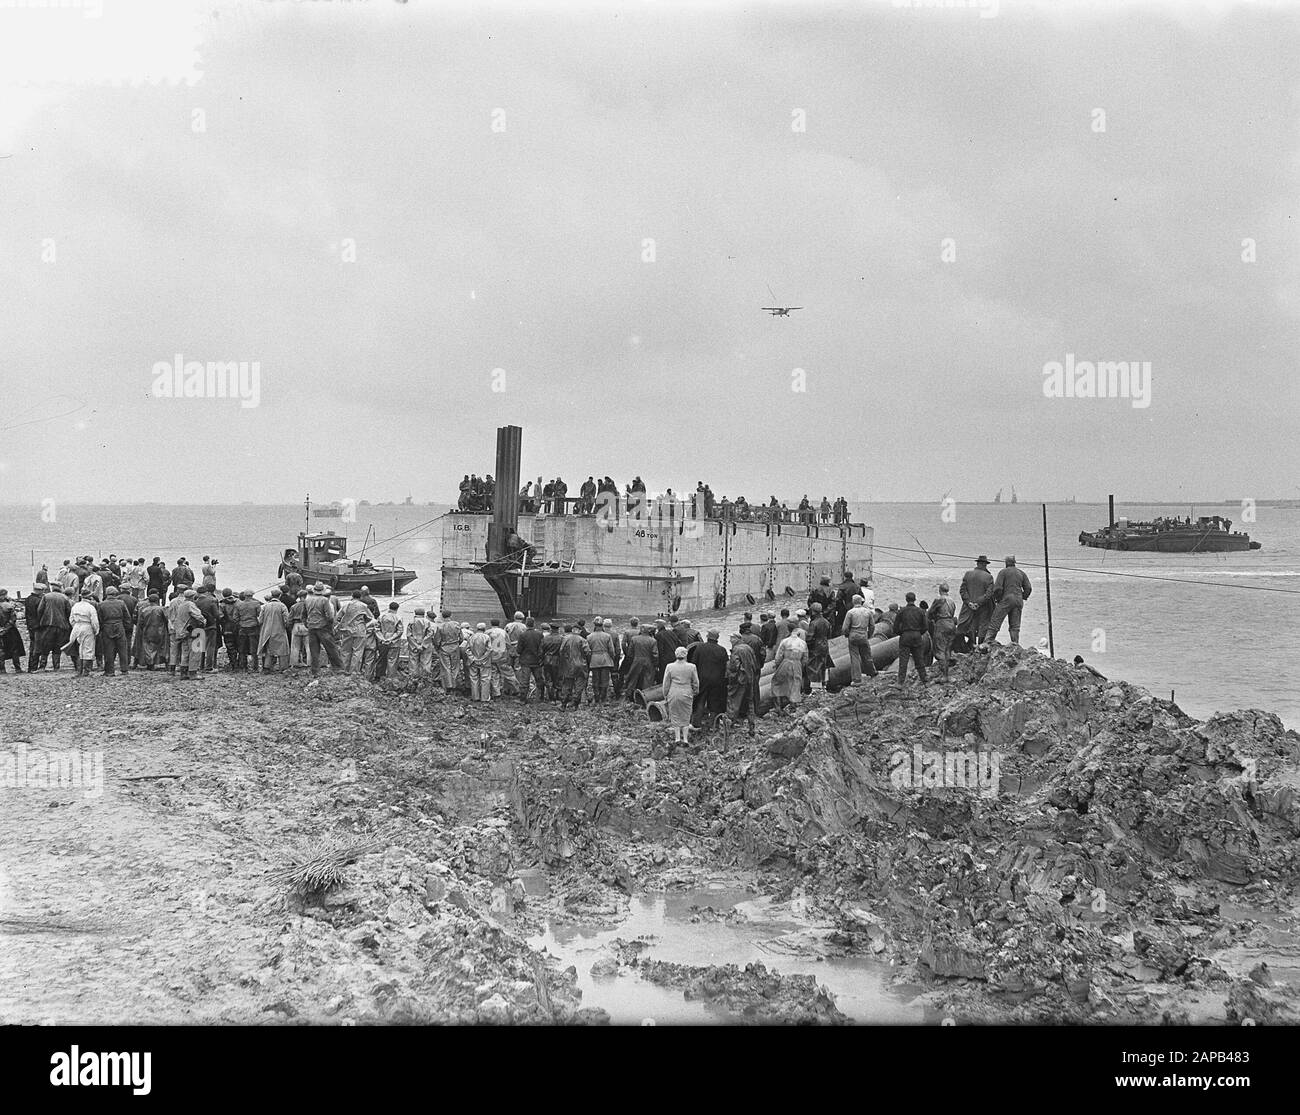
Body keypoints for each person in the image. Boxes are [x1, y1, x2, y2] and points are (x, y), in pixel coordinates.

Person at [986, 556, 1032, 646]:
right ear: (1014, 563)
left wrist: (998, 598)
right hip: (1018, 600)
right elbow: (1028, 588)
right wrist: (1023, 596)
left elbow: (998, 588)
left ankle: (988, 642)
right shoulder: (1021, 573)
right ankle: (1015, 644)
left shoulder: (1003, 572)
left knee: (995, 622)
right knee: (1015, 626)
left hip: (1006, 599)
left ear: (1006, 563)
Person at [687, 629, 729, 729]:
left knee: (700, 700)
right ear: (717, 638)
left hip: (702, 678)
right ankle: (713, 725)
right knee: (715, 702)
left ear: (707, 636)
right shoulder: (722, 650)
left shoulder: (700, 648)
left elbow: (694, 663)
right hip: (717, 680)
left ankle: (696, 723)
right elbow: (726, 666)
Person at [661, 646, 699, 747]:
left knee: (675, 714)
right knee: (686, 714)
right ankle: (685, 739)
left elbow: (666, 683)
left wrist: (665, 694)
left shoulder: (670, 666)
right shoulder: (692, 667)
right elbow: (695, 682)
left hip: (674, 692)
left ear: (675, 654)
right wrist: (695, 691)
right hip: (687, 692)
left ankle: (677, 738)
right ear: (686, 655)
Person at [957, 555, 995, 651]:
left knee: (972, 625)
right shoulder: (989, 577)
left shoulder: (968, 574)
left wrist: (969, 602)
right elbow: (989, 594)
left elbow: (962, 591)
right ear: (985, 565)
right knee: (983, 625)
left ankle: (972, 645)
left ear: (977, 564)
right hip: (983, 606)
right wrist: (978, 603)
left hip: (969, 606)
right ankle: (980, 646)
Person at [303, 584, 342, 676]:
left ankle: (315, 671)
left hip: (312, 627)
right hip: (323, 627)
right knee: (331, 648)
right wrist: (330, 626)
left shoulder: (307, 600)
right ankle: (338, 668)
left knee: (314, 651)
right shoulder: (324, 600)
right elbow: (330, 616)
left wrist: (307, 624)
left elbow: (303, 615)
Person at [725, 633, 758, 738]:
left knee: (734, 701)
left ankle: (730, 725)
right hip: (750, 678)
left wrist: (729, 672)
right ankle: (751, 726)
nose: (730, 641)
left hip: (740, 680)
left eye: (731, 639)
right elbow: (754, 663)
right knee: (749, 702)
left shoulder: (736, 649)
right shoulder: (748, 648)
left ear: (736, 639)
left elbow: (734, 666)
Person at [166, 588, 204, 679]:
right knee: (195, 651)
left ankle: (184, 673)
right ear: (193, 597)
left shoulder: (182, 605)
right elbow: (198, 616)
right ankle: (193, 673)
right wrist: (204, 621)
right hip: (192, 630)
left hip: (182, 631)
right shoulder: (190, 604)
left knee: (185, 652)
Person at [841, 594, 877, 684]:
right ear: (861, 601)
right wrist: (869, 635)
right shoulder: (867, 612)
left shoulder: (850, 612)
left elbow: (845, 628)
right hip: (863, 635)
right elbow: (872, 626)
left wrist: (847, 635)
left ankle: (857, 678)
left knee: (855, 657)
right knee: (867, 655)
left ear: (853, 602)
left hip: (853, 636)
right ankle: (872, 672)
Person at [895, 592, 928, 688]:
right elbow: (925, 627)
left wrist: (902, 633)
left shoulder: (902, 611)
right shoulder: (920, 611)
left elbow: (895, 627)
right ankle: (924, 680)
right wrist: (918, 633)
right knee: (919, 659)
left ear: (906, 599)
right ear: (915, 600)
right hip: (917, 636)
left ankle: (900, 682)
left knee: (903, 660)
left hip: (905, 637)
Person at [36, 583, 72, 671]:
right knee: (57, 646)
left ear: (52, 588)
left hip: (48, 624)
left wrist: (41, 621)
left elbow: (40, 610)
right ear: (60, 588)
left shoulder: (46, 597)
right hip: (62, 625)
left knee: (45, 646)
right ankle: (56, 666)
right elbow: (69, 612)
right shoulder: (65, 598)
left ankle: (42, 666)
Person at [97, 586, 132, 676]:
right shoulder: (121, 603)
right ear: (115, 593)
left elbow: (99, 619)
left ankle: (109, 671)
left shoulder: (101, 604)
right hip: (119, 626)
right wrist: (127, 628)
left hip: (107, 627)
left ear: (107, 594)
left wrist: (101, 629)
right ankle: (124, 669)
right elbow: (127, 617)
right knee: (122, 649)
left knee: (108, 649)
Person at [66, 591, 100, 678]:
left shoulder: (75, 606)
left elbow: (71, 619)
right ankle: (86, 670)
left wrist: (75, 626)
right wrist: (96, 630)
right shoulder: (90, 607)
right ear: (90, 597)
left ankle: (79, 670)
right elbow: (94, 621)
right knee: (88, 648)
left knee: (80, 649)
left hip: (77, 626)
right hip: (87, 626)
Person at [255, 589, 291, 672]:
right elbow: (286, 619)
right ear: (279, 596)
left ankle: (267, 667)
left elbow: (260, 620)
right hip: (279, 630)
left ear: (271, 595)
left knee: (269, 650)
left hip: (267, 631)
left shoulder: (265, 606)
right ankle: (283, 668)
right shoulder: (282, 606)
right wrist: (286, 627)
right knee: (282, 649)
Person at [928, 582, 957, 683]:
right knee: (948, 650)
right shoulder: (952, 601)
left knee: (940, 650)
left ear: (939, 590)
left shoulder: (939, 600)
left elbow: (930, 613)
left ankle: (944, 676)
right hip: (951, 624)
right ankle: (947, 675)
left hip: (942, 624)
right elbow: (953, 613)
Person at [337, 591, 372, 674]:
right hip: (359, 630)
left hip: (347, 630)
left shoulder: (346, 605)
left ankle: (344, 669)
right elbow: (370, 617)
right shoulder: (363, 606)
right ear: (360, 597)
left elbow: (338, 617)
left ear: (352, 596)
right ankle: (354, 671)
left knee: (345, 650)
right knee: (358, 651)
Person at [623, 620, 658, 701]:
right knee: (647, 679)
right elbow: (655, 654)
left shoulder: (634, 639)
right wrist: (655, 664)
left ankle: (629, 696)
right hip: (648, 661)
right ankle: (646, 697)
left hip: (636, 660)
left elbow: (630, 653)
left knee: (633, 678)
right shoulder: (653, 641)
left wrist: (631, 660)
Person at [132, 592, 169, 670]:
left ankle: (150, 664)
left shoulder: (144, 610)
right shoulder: (161, 609)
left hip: (147, 630)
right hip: (160, 630)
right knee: (162, 647)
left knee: (148, 648)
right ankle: (165, 663)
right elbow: (167, 619)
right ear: (157, 600)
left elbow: (140, 622)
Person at [558, 623, 591, 708]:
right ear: (579, 631)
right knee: (579, 685)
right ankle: (575, 704)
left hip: (568, 665)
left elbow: (561, 651)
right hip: (581, 665)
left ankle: (563, 705)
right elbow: (588, 653)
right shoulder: (583, 640)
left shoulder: (565, 639)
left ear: (572, 630)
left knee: (567, 685)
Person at [370, 602, 404, 680]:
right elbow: (400, 631)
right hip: (394, 643)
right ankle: (390, 678)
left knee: (381, 658)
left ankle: (378, 676)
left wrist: (382, 639)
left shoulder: (381, 616)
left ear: (389, 607)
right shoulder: (398, 618)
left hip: (382, 641)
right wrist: (390, 639)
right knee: (392, 660)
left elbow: (376, 629)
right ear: (397, 608)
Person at [587, 619, 618, 703]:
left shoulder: (589, 636)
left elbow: (587, 651)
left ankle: (596, 698)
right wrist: (612, 658)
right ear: (602, 626)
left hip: (594, 660)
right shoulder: (607, 636)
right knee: (605, 680)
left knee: (595, 680)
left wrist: (589, 660)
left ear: (594, 625)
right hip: (605, 659)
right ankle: (603, 698)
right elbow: (611, 650)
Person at [516, 617, 546, 702]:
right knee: (539, 680)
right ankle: (540, 697)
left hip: (525, 661)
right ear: (534, 624)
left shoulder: (523, 635)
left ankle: (522, 699)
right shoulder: (540, 634)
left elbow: (519, 650)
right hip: (537, 661)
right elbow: (542, 648)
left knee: (525, 681)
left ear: (526, 624)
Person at [805, 602, 833, 690]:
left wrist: (808, 645)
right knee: (824, 665)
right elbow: (829, 634)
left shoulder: (813, 623)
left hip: (816, 647)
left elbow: (809, 637)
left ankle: (815, 687)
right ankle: (824, 684)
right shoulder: (826, 622)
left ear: (813, 611)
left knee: (814, 666)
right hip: (825, 645)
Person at [233, 590, 262, 671]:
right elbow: (260, 616)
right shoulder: (256, 604)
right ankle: (255, 667)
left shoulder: (239, 605)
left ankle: (243, 666)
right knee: (254, 648)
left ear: (244, 596)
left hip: (242, 627)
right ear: (252, 595)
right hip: (253, 627)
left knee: (242, 649)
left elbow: (235, 618)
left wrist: (240, 623)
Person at [433, 610, 462, 689]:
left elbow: (437, 640)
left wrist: (438, 647)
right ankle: (454, 685)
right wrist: (457, 644)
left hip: (444, 648)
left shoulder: (440, 626)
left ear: (442, 616)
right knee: (455, 667)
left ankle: (448, 686)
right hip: (455, 647)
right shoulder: (456, 624)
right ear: (450, 616)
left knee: (446, 667)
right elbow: (461, 638)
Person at [0, 589, 26, 672]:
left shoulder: (7, 605)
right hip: (11, 630)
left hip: (1, 630)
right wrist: (6, 628)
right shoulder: (9, 606)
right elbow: (13, 619)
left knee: (1, 649)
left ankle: (2, 669)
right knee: (15, 649)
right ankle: (17, 668)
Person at [467, 622, 493, 701]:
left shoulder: (471, 637)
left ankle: (475, 697)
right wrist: (482, 659)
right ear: (484, 629)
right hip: (485, 662)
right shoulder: (487, 637)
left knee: (474, 679)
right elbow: (489, 650)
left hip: (473, 661)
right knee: (485, 679)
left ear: (476, 628)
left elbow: (467, 650)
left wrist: (473, 658)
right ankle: (484, 698)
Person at [406, 607, 434, 678]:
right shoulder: (427, 622)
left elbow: (409, 635)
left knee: (413, 664)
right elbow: (430, 634)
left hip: (414, 646)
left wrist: (416, 645)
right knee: (426, 663)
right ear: (424, 614)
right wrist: (423, 645)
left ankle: (413, 680)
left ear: (415, 613)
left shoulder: (411, 622)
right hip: (426, 646)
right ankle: (425, 681)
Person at [540, 621, 564, 700]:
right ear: (558, 629)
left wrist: (541, 660)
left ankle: (551, 698)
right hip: (558, 660)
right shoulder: (562, 638)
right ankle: (558, 696)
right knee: (558, 678)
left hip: (547, 659)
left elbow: (541, 650)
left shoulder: (545, 638)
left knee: (548, 679)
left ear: (551, 629)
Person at [654, 619, 677, 684]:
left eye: (656, 624)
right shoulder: (671, 632)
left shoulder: (658, 635)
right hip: (673, 656)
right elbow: (677, 642)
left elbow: (660, 648)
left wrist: (658, 661)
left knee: (664, 674)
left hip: (664, 658)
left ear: (658, 626)